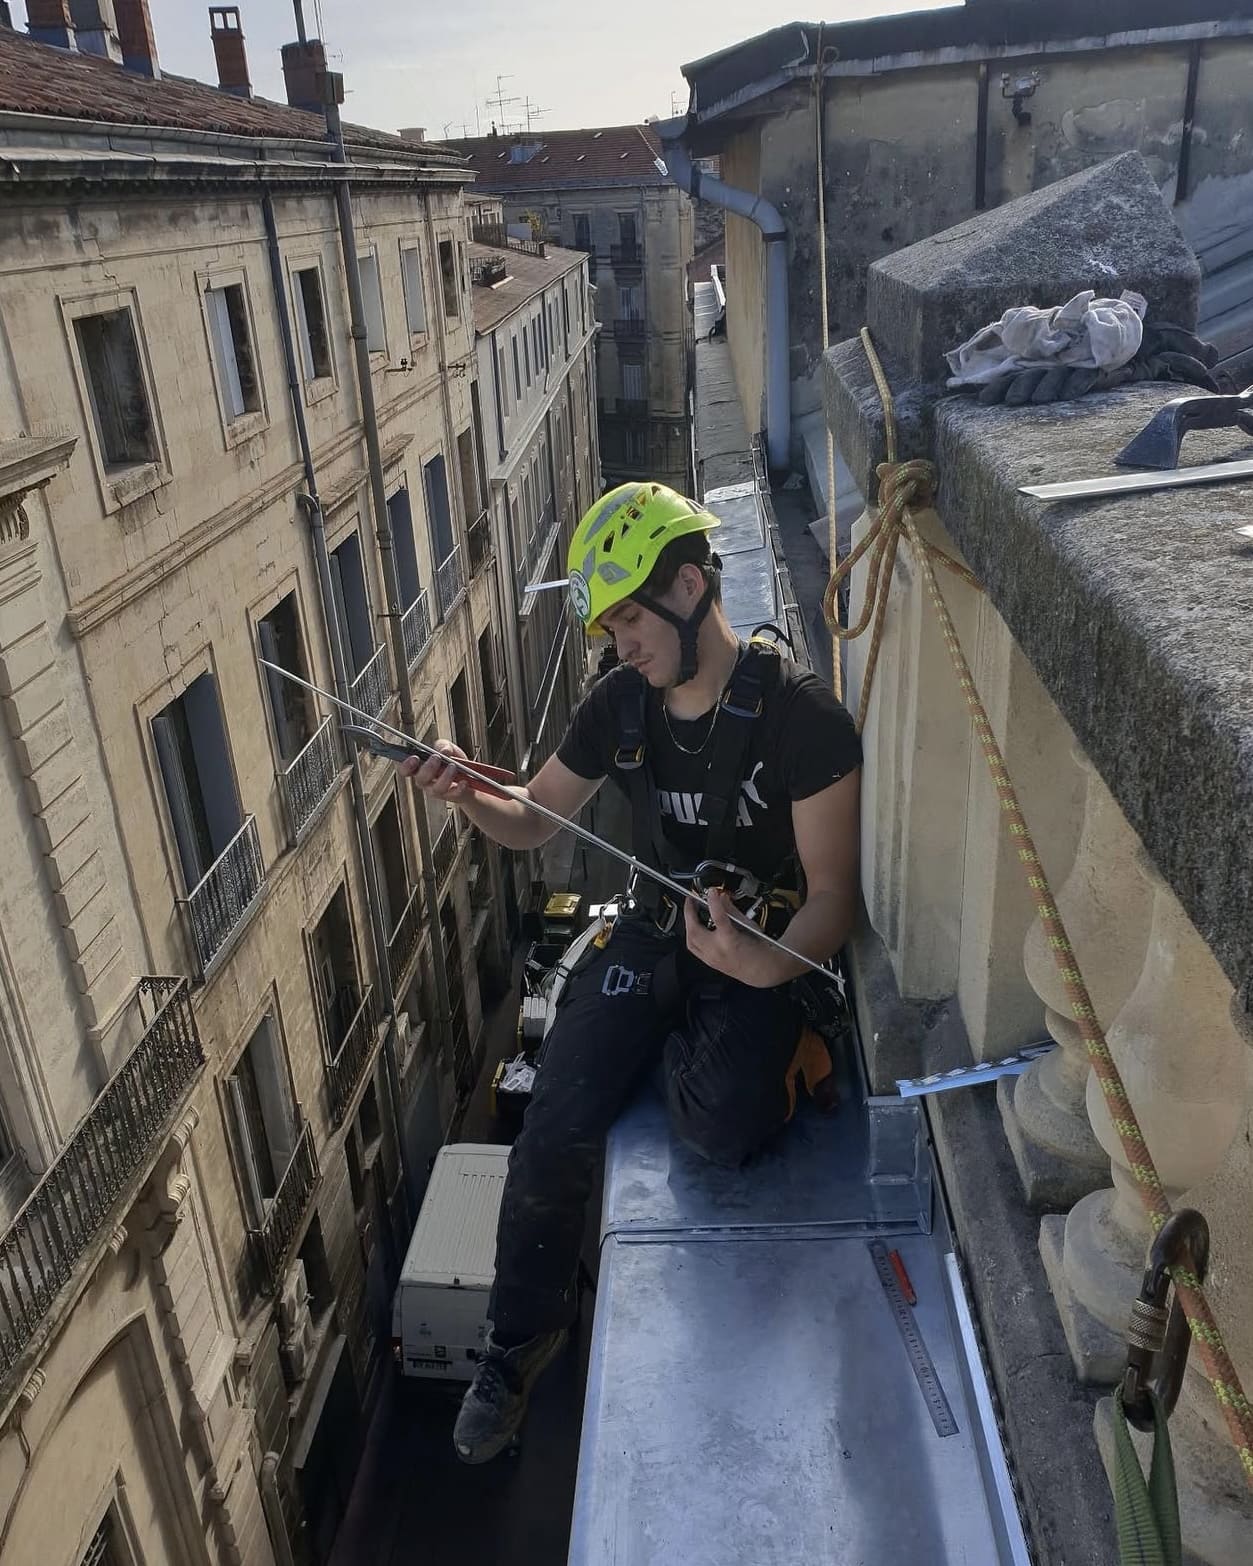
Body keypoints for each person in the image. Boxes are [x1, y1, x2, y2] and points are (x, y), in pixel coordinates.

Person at [402, 481, 862, 1464]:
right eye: (609, 630)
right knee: (555, 1121)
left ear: (689, 586)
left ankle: (747, 1055)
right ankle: (520, 1339)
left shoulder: (801, 721)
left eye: (627, 623)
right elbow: (533, 817)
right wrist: (464, 792)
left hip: (758, 947)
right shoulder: (619, 706)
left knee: (721, 1132)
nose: (619, 648)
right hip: (654, 936)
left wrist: (765, 962)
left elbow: (832, 899)